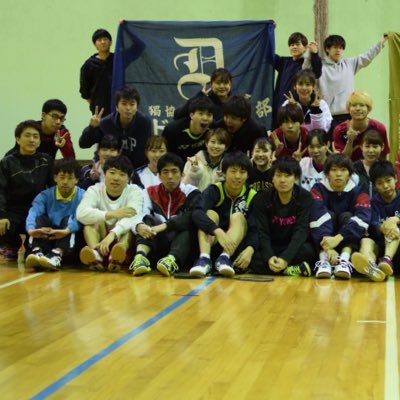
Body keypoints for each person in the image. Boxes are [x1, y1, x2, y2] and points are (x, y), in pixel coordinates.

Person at [129, 153, 201, 277]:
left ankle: (170, 261)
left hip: (180, 247)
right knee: (145, 221)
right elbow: (140, 213)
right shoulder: (149, 192)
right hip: (156, 242)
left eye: (174, 171)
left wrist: (164, 226)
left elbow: (189, 217)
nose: (170, 176)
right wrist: (138, 225)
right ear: (159, 176)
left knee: (187, 227)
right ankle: (140, 257)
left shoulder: (192, 192)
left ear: (182, 174)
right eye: (165, 172)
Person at [189, 151, 258, 278]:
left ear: (248, 175)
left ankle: (224, 258)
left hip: (235, 248)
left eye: (242, 172)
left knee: (238, 216)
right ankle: (204, 259)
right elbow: (196, 212)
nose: (237, 176)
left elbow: (256, 227)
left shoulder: (252, 195)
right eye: (233, 171)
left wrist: (251, 248)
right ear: (224, 173)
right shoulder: (214, 190)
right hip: (212, 243)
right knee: (210, 213)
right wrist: (217, 231)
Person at [76, 155, 143, 272]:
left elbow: (133, 216)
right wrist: (112, 214)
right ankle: (96, 254)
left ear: (128, 178)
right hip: (100, 240)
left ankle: (117, 256)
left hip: (121, 240)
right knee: (90, 223)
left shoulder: (134, 191)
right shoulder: (94, 190)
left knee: (130, 227)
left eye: (122, 174)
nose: (116, 178)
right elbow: (81, 214)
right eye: (112, 173)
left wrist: (112, 234)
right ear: (104, 174)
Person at [310, 153, 371, 279]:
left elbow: (363, 219)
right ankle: (324, 261)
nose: (338, 174)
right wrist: (328, 248)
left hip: (345, 239)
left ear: (349, 174)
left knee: (348, 217)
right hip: (324, 241)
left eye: (343, 170)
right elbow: (316, 217)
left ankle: (344, 260)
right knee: (328, 215)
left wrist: (338, 238)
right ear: (327, 174)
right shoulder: (317, 189)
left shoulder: (359, 191)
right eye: (334, 170)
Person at [251, 157, 314, 276]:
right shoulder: (262, 199)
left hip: (292, 246)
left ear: (296, 178)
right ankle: (288, 270)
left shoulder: (305, 197)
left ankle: (279, 268)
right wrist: (269, 256)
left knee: (308, 251)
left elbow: (301, 230)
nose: (282, 180)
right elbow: (262, 232)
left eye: (287, 176)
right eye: (278, 175)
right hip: (272, 246)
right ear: (272, 178)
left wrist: (286, 258)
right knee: (254, 256)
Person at [0, 120, 53, 256]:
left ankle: (32, 247)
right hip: (14, 210)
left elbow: (53, 187)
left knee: (35, 249)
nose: (32, 140)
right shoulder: (7, 162)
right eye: (27, 135)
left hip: (37, 210)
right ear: (18, 139)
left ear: (39, 141)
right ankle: (12, 243)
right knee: (3, 226)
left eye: (35, 136)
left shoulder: (46, 160)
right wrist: (2, 215)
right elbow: (1, 190)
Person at [319, 34, 388, 137]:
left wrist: (381, 42)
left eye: (341, 48)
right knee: (332, 146)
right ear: (327, 49)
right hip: (328, 117)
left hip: (349, 116)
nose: (338, 50)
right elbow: (305, 69)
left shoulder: (349, 64)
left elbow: (367, 56)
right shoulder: (320, 66)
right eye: (335, 47)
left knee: (351, 144)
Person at [25, 159, 85, 270]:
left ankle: (56, 255)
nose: (65, 182)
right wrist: (31, 230)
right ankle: (37, 252)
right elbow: (33, 212)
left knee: (69, 220)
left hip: (68, 240)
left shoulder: (83, 196)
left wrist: (66, 231)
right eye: (62, 177)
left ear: (76, 179)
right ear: (55, 178)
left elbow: (80, 218)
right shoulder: (45, 195)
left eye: (70, 178)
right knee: (40, 218)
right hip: (49, 236)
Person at [79, 86, 152, 169]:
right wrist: (91, 128)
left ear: (137, 107)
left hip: (135, 169)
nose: (128, 108)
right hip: (108, 168)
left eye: (132, 104)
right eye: (124, 104)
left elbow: (144, 152)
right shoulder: (105, 123)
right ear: (117, 107)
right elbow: (83, 144)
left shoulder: (144, 122)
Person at [351, 160, 399, 282]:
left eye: (388, 180)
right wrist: (385, 227)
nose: (385, 186)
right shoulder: (372, 203)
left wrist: (396, 219)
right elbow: (375, 224)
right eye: (380, 183)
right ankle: (372, 267)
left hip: (396, 244)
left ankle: (387, 260)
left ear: (396, 179)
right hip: (379, 243)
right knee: (365, 241)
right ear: (374, 186)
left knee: (395, 230)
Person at [272, 32, 322, 128]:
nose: (294, 47)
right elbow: (267, 54)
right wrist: (268, 30)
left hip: (298, 110)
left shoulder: (307, 64)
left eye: (297, 44)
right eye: (291, 45)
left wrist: (315, 54)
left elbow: (317, 72)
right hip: (279, 108)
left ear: (305, 47)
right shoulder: (283, 61)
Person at [6, 99, 76, 159]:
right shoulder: (31, 129)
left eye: (61, 118)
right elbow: (18, 152)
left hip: (46, 167)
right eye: (54, 116)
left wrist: (64, 146)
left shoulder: (62, 133)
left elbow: (71, 160)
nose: (58, 122)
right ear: (43, 115)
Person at [333, 91, 389, 161]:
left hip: (373, 166)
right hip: (348, 167)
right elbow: (340, 161)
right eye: (354, 105)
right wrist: (350, 141)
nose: (358, 109)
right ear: (348, 109)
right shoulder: (340, 130)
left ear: (368, 109)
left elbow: (383, 156)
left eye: (362, 105)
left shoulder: (379, 128)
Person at [80, 29, 114, 116]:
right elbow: (84, 91)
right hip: (99, 112)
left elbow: (139, 47)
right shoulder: (89, 64)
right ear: (95, 44)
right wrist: (94, 105)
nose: (103, 42)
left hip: (119, 109)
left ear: (110, 42)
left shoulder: (117, 59)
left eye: (105, 39)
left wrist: (125, 26)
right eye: (99, 40)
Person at [353, 130, 384, 197]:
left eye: (375, 147)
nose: (371, 150)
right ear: (361, 147)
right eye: (367, 146)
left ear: (382, 147)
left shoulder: (386, 168)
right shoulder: (353, 168)